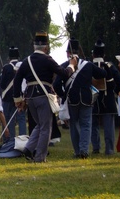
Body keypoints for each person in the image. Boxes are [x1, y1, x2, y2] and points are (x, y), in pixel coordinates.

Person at [13, 31, 77, 163]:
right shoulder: (47, 59)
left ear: (34, 46)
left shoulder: (26, 61)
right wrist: (72, 65)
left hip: (30, 97)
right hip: (43, 96)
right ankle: (40, 157)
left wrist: (18, 99)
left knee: (40, 125)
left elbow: (17, 80)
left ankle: (28, 148)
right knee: (46, 128)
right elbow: (64, 74)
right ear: (46, 47)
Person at [53, 39, 106, 159]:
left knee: (74, 125)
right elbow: (102, 74)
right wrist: (105, 65)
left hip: (72, 99)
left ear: (68, 53)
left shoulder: (64, 66)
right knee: (86, 125)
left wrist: (63, 95)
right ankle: (84, 150)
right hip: (87, 99)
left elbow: (56, 85)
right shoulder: (88, 65)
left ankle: (78, 151)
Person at [90, 40, 120, 155]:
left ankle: (96, 148)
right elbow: (119, 81)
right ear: (104, 55)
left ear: (93, 54)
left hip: (92, 100)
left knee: (93, 125)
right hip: (108, 99)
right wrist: (114, 93)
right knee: (109, 126)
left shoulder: (88, 65)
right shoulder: (109, 66)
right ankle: (109, 150)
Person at [0, 46, 25, 138]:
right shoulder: (23, 66)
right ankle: (23, 139)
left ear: (9, 57)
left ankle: (9, 140)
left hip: (8, 97)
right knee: (21, 118)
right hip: (21, 96)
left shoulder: (6, 68)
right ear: (18, 56)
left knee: (8, 118)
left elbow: (1, 84)